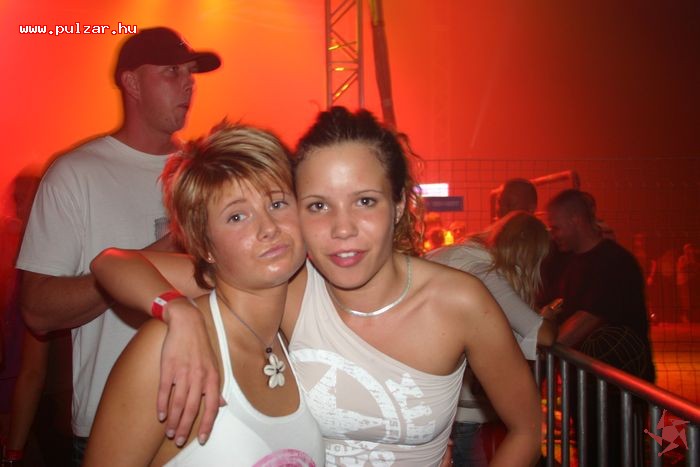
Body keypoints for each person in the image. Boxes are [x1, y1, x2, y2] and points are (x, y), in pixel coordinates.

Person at [89, 107, 542, 466]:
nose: (343, 228)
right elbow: (112, 262)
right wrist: (176, 310)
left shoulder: (460, 302)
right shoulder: (289, 288)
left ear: (399, 204)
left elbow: (527, 429)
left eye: (365, 201)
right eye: (319, 205)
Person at [15, 27, 222, 464]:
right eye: (171, 72)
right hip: (112, 426)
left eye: (190, 73)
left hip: (208, 420)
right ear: (132, 83)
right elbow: (37, 309)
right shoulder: (76, 175)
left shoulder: (206, 173)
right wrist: (153, 258)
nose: (188, 83)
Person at [84, 123, 325, 466]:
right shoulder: (167, 346)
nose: (268, 228)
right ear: (205, 246)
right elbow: (108, 261)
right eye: (237, 216)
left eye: (277, 203)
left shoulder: (297, 332)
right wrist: (175, 309)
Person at [427, 211, 558, 466]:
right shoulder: (483, 272)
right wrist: (550, 316)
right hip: (461, 414)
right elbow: (543, 335)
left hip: (438, 405)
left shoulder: (454, 256)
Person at [546, 188, 655, 465]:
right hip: (587, 383)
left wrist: (542, 349)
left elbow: (586, 318)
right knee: (590, 450)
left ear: (575, 220)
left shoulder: (614, 263)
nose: (553, 234)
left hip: (619, 385)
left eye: (556, 227)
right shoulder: (568, 261)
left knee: (618, 452)